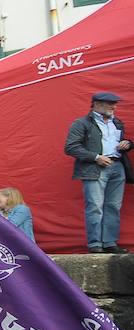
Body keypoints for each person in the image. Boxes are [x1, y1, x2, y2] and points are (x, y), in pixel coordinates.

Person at [64, 91, 131, 254]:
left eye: (114, 104)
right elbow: (71, 147)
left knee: (113, 206)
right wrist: (96, 157)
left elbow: (120, 142)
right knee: (95, 207)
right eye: (110, 104)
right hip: (95, 168)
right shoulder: (81, 123)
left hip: (117, 166)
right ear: (97, 104)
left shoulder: (117, 122)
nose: (114, 107)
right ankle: (95, 244)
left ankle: (109, 243)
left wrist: (127, 143)